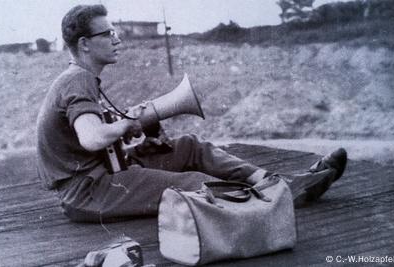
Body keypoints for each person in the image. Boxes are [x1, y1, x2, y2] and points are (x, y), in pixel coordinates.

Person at [36, 4, 347, 223]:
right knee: (196, 184)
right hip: (89, 192)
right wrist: (126, 123)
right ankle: (278, 199)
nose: (117, 39)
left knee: (190, 147)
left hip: (103, 176)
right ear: (85, 44)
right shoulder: (79, 79)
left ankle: (280, 184)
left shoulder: (79, 77)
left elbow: (91, 141)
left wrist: (128, 129)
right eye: (107, 34)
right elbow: (90, 138)